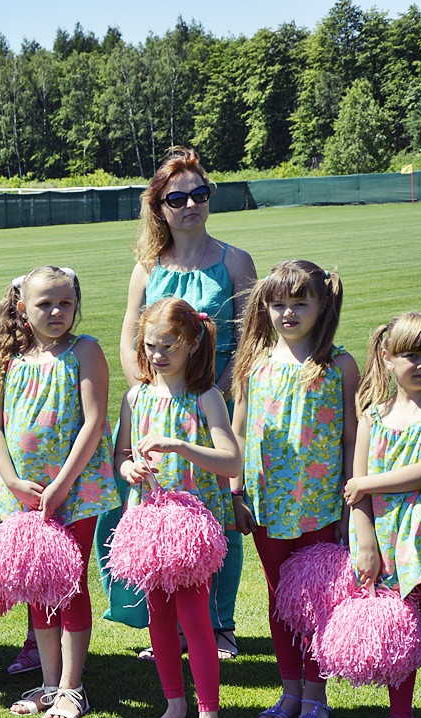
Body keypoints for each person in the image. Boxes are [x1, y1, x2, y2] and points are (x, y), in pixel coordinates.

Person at [115, 145, 256, 661]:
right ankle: (168, 625)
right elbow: (131, 332)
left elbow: (250, 336)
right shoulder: (147, 267)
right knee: (159, 511)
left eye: (200, 194)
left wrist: (210, 390)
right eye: (178, 198)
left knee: (219, 510)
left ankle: (219, 624)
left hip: (218, 398)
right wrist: (148, 390)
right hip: (158, 400)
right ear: (160, 207)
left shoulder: (235, 260)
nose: (191, 205)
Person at [0, 266, 119, 718]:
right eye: (44, 304)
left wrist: (60, 486)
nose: (56, 311)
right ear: (22, 309)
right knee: (38, 589)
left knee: (69, 586)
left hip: (75, 491)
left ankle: (72, 687)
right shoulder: (5, 359)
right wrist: (13, 481)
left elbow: (94, 421)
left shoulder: (85, 351)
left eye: (64, 302)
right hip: (23, 495)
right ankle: (48, 682)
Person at [230, 261, 358, 718]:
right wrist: (235, 491)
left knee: (317, 603)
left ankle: (316, 697)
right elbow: (238, 432)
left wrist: (350, 505)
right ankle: (289, 691)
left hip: (320, 505)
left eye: (300, 302)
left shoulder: (338, 364)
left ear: (322, 304)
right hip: (266, 504)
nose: (288, 312)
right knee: (280, 599)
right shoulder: (255, 361)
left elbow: (350, 438)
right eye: (278, 303)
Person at [114, 298, 241, 718]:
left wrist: (181, 445)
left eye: (169, 345)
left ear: (190, 343)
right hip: (149, 526)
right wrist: (127, 468)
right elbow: (121, 456)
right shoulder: (135, 397)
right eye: (150, 346)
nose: (158, 355)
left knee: (194, 616)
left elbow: (231, 461)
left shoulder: (206, 396)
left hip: (191, 529)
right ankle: (174, 706)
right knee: (159, 617)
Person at [344, 312, 421, 718]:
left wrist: (365, 484)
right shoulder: (373, 416)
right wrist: (364, 540)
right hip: (387, 544)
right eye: (411, 355)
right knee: (399, 636)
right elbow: (356, 491)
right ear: (387, 358)